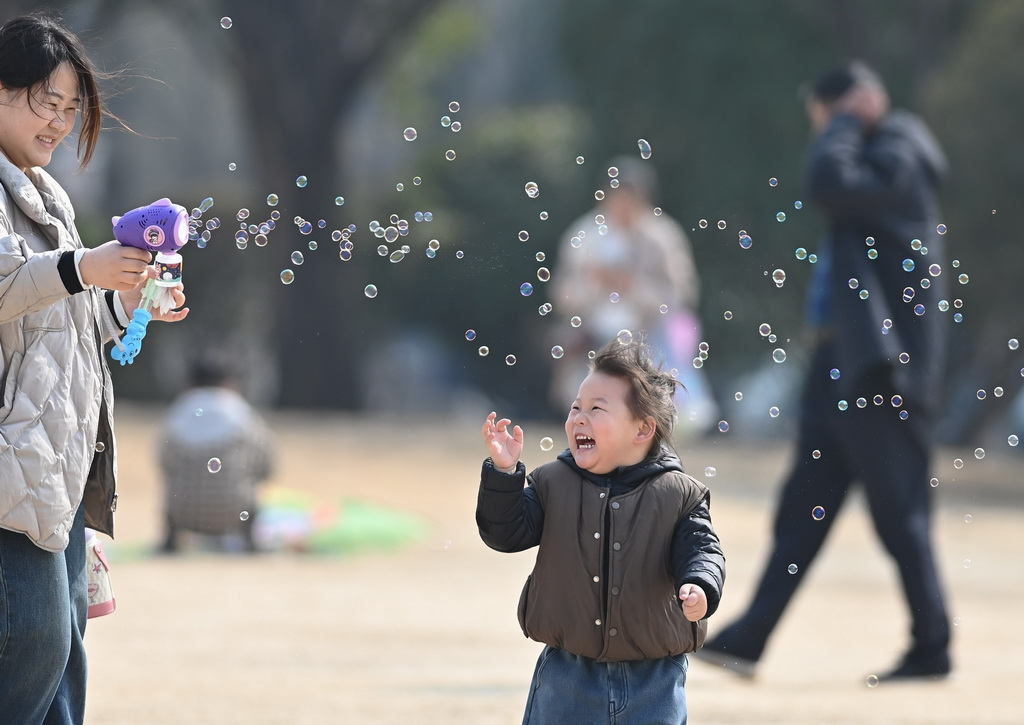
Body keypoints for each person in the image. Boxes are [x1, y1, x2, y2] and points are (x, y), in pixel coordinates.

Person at [697, 61, 952, 682]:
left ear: (856, 105)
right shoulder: (875, 159)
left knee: (900, 512)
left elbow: (828, 181)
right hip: (843, 364)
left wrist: (843, 119)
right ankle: (747, 639)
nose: (823, 134)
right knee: (805, 506)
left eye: (826, 118)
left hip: (881, 370)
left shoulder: (901, 147)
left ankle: (932, 647)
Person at [0, 11, 189, 723]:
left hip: (59, 471)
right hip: (10, 474)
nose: (58, 122)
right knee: (32, 650)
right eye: (45, 101)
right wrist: (85, 267)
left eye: (71, 108)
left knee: (65, 661)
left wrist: (130, 303)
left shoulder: (46, 193)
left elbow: (61, 320)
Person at [477, 337, 726, 724]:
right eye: (576, 407)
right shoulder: (551, 483)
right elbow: (504, 533)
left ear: (643, 429)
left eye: (596, 409)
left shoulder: (679, 495)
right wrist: (506, 475)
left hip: (654, 679)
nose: (579, 418)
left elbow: (702, 549)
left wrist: (701, 584)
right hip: (567, 675)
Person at [549, 157, 717, 432]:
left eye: (631, 197)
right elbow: (562, 295)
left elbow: (681, 295)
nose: (623, 205)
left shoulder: (662, 237)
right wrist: (596, 284)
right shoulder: (585, 235)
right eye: (617, 197)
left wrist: (633, 286)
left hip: (648, 338)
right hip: (594, 335)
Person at [158, 354, 274, 553]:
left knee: (172, 490)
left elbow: (164, 462)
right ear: (229, 383)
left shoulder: (177, 412)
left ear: (190, 383)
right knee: (253, 492)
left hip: (184, 513)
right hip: (235, 512)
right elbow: (266, 464)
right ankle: (250, 542)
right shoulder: (244, 414)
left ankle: (171, 540)